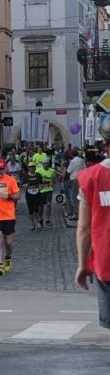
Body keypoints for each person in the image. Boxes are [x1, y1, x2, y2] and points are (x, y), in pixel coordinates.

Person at [75, 117, 110, 329]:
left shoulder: (90, 177)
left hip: (106, 261)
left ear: (104, 141)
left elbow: (84, 227)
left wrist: (82, 265)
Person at [0, 159, 21, 276]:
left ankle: (8, 258)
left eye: (2, 169)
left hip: (8, 215)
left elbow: (18, 195)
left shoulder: (11, 180)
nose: (0, 171)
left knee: (8, 240)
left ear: (5, 169)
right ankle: (0, 265)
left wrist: (8, 196)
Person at [65, 150, 86, 220]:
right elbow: (85, 169)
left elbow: (68, 171)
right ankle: (82, 213)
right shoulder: (82, 160)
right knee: (81, 197)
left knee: (74, 198)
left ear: (72, 155)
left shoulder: (72, 161)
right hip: (81, 179)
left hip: (74, 180)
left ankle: (76, 214)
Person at [36, 158, 57, 227]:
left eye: (47, 163)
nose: (46, 165)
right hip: (41, 190)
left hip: (49, 190)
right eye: (44, 163)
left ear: (49, 164)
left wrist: (52, 182)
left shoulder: (52, 171)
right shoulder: (38, 171)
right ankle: (40, 220)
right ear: (42, 164)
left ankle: (48, 220)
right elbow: (35, 180)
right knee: (40, 206)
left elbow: (54, 180)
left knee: (48, 204)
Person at [23, 163, 43, 231]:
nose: (30, 168)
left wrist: (40, 187)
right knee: (30, 210)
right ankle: (32, 224)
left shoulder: (38, 175)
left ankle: (37, 222)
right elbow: (23, 184)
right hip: (29, 194)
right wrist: (27, 185)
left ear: (35, 168)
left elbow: (41, 184)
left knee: (36, 209)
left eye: (32, 167)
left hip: (37, 193)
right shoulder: (26, 175)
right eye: (29, 167)